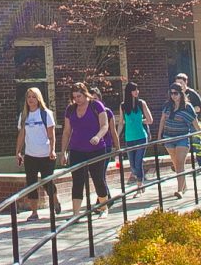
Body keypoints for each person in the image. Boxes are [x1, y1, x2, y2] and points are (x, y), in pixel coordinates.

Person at [63, 81, 116, 212]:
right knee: (77, 181)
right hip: (76, 149)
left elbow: (105, 125)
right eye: (74, 97)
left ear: (85, 94)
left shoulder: (96, 105)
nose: (77, 100)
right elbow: (66, 131)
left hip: (96, 149)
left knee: (98, 178)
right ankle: (76, 213)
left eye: (79, 96)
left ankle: (104, 207)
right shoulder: (70, 109)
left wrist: (98, 136)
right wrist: (63, 151)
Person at [13, 85, 62, 214]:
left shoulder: (46, 114)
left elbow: (51, 136)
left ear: (38, 98)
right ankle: (34, 212)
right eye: (28, 97)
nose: (31, 99)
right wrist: (18, 152)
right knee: (31, 184)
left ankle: (55, 201)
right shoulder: (24, 116)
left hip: (46, 155)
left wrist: (52, 150)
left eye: (34, 97)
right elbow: (22, 135)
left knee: (47, 182)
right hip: (30, 155)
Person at [158, 81, 199, 193]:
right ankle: (184, 186)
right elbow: (162, 120)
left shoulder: (187, 107)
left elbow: (195, 123)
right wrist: (159, 137)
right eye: (171, 93)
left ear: (181, 93)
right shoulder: (167, 106)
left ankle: (179, 190)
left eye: (175, 93)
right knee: (176, 165)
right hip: (169, 138)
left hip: (182, 137)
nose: (173, 95)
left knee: (180, 163)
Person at [117, 81, 152, 187]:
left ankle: (140, 184)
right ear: (129, 92)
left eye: (137, 89)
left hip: (141, 137)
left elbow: (150, 120)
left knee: (138, 162)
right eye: (134, 90)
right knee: (132, 165)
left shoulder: (141, 103)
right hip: (129, 138)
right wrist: (117, 137)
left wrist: (140, 121)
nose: (136, 92)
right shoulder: (123, 106)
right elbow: (121, 123)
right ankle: (139, 179)